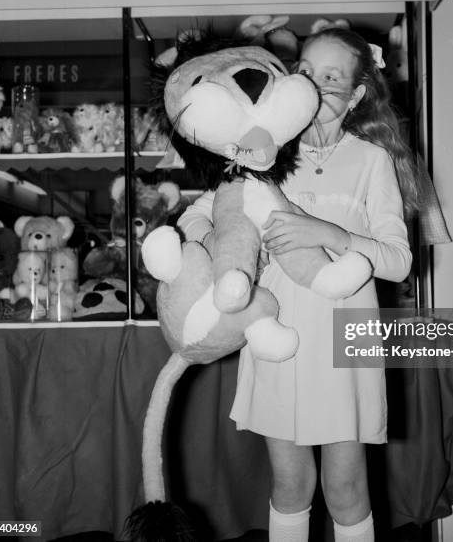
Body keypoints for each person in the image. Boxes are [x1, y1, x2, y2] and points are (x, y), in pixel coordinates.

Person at [178, 27, 418, 541]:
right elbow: (198, 218)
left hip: (346, 344)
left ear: (356, 95)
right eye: (307, 71)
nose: (316, 83)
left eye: (332, 77)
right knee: (290, 484)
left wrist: (329, 234)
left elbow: (399, 261)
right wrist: (228, 258)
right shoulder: (262, 155)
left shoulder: (372, 162)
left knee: (347, 488)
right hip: (278, 337)